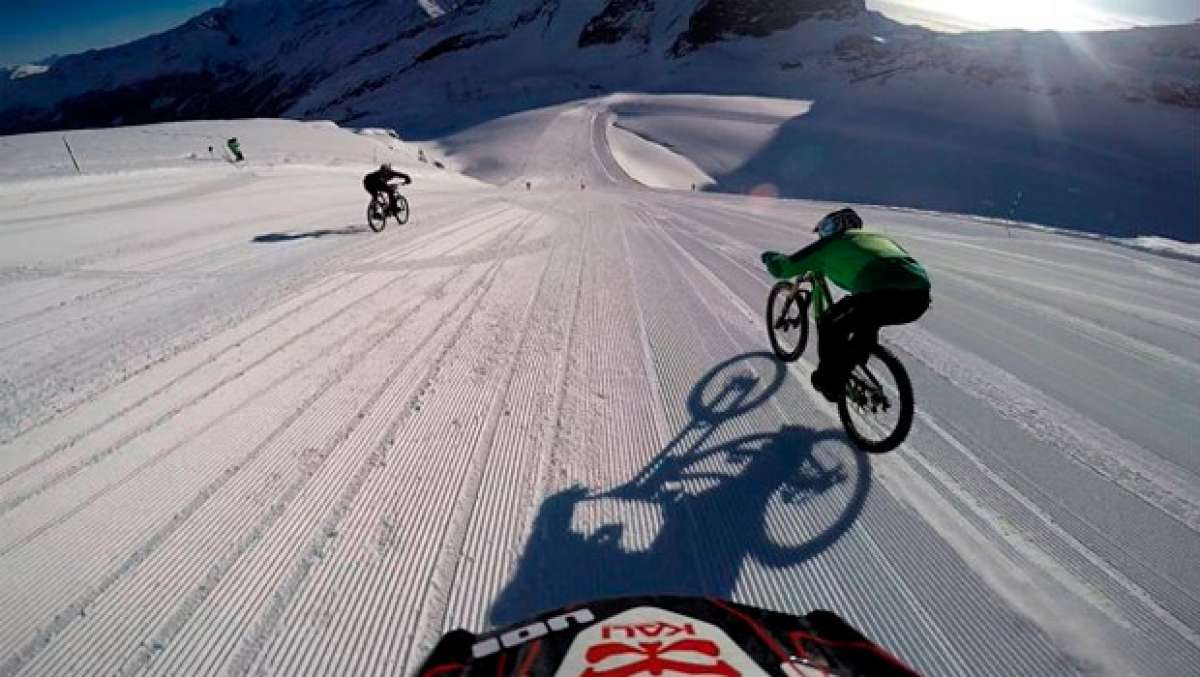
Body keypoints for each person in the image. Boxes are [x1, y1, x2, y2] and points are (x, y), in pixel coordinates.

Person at [762, 208, 930, 402]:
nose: (823, 233)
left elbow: (786, 267)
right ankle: (854, 360)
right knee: (865, 320)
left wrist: (770, 258)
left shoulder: (831, 243)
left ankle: (829, 382)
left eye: (826, 227)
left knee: (829, 323)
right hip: (919, 297)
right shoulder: (876, 237)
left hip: (880, 293)